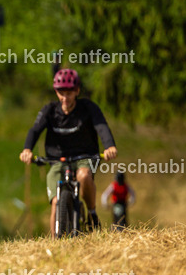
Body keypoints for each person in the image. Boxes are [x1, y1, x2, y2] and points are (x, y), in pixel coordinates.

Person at [19, 68, 117, 236]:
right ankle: (55, 242)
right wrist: (27, 149)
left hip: (84, 156)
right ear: (56, 92)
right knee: (56, 202)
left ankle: (92, 213)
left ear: (77, 91)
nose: (65, 98)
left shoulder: (88, 108)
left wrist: (109, 146)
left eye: (69, 93)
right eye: (61, 93)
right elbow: (35, 130)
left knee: (84, 176)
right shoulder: (49, 111)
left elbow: (101, 126)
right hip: (57, 159)